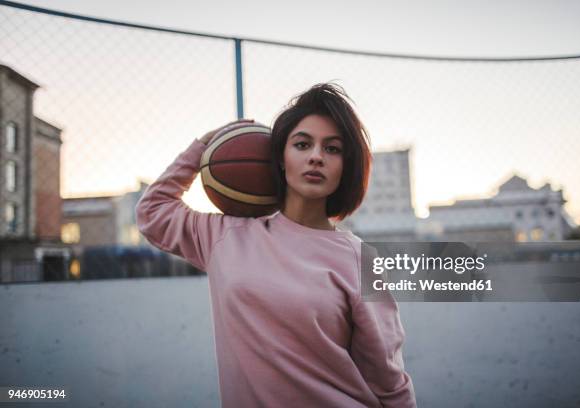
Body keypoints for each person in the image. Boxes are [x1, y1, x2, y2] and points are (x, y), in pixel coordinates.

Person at [136, 83, 417, 407]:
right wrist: (203, 144)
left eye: (333, 149)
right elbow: (152, 210)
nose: (316, 157)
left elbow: (388, 380)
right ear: (281, 158)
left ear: (345, 167)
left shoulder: (360, 260)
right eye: (302, 144)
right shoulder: (226, 237)